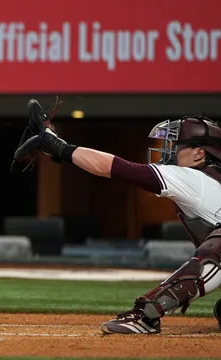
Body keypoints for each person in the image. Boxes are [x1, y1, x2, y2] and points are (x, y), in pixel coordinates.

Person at [14, 99, 221, 335]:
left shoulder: (192, 177)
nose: (170, 150)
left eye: (177, 145)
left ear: (199, 153)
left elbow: (113, 167)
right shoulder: (209, 179)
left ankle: (146, 315)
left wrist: (57, 146)